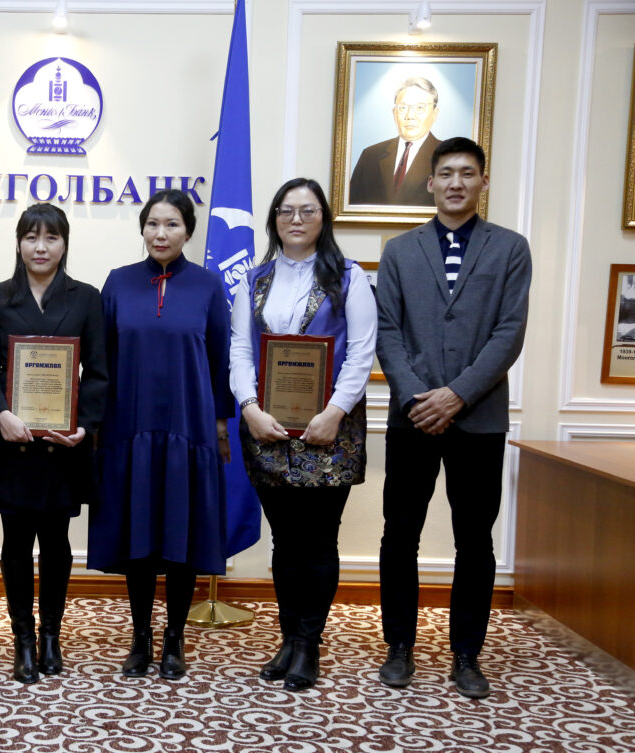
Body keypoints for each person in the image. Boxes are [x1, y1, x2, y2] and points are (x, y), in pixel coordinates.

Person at [375, 136, 531, 699]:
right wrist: (420, 399)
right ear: (431, 183)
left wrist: (457, 395)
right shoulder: (399, 250)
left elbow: (509, 332)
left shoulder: (511, 248)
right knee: (400, 535)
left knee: (475, 540)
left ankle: (467, 653)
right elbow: (387, 332)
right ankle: (399, 645)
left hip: (479, 418)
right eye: (446, 173)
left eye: (468, 173)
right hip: (412, 417)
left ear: (483, 182)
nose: (456, 182)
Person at [229, 178, 376, 690]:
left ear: (323, 218)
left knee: (318, 540)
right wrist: (248, 407)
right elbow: (240, 349)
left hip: (329, 430)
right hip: (268, 427)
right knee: (285, 541)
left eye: (307, 210)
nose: (296, 219)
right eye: (286, 211)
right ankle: (288, 638)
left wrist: (335, 412)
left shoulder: (349, 277)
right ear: (274, 219)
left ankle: (310, 643)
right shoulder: (254, 280)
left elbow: (362, 352)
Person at [88, 188, 234, 681]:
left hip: (188, 428)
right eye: (153, 223)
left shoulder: (208, 286)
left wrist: (220, 424)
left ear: (187, 231)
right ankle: (141, 637)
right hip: (128, 427)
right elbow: (101, 359)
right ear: (142, 229)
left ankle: (174, 639)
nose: (161, 233)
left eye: (172, 224)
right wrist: (95, 422)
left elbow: (220, 359)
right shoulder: (118, 282)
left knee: (180, 534)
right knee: (138, 535)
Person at [0, 203, 108, 684]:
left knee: (56, 542)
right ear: (18, 243)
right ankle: (23, 640)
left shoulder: (86, 298)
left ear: (64, 244)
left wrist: (84, 425)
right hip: (11, 442)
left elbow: (98, 371)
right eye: (31, 237)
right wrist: (0, 413)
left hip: (62, 444)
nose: (41, 247)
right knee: (15, 542)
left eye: (51, 237)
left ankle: (52, 635)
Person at [349, 77, 442, 208]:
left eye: (420, 108)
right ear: (394, 113)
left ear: (435, 113)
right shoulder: (370, 155)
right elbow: (352, 206)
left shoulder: (446, 156)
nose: (410, 116)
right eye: (403, 108)